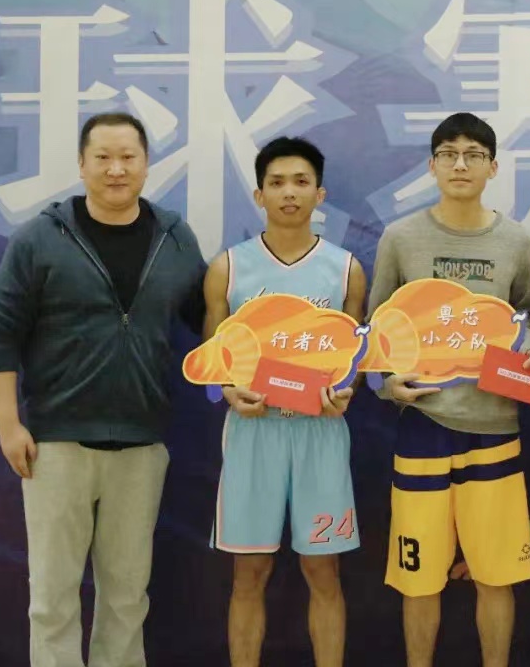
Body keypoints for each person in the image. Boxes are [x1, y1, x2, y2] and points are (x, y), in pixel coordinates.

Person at [0, 112, 206, 667]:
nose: (116, 169)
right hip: (55, 446)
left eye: (128, 157)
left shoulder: (175, 239)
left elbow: (211, 324)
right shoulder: (39, 238)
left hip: (142, 446)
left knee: (127, 600)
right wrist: (9, 426)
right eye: (103, 157)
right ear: (82, 165)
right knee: (52, 602)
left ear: (146, 165)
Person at [367, 112, 530, 667]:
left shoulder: (517, 241)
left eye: (473, 154)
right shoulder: (401, 239)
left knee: (496, 575)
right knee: (419, 578)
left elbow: (527, 322)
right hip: (423, 428)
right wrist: (386, 385)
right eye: (448, 154)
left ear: (493, 167)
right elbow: (374, 334)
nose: (460, 164)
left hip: (495, 429)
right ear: (432, 165)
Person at [202, 137, 366, 667]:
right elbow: (211, 364)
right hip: (254, 434)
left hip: (320, 434)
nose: (289, 193)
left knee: (324, 571)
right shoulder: (228, 268)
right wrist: (228, 390)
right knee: (249, 572)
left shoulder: (346, 269)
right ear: (259, 194)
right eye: (276, 183)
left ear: (320, 194)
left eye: (300, 182)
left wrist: (346, 391)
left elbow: (353, 362)